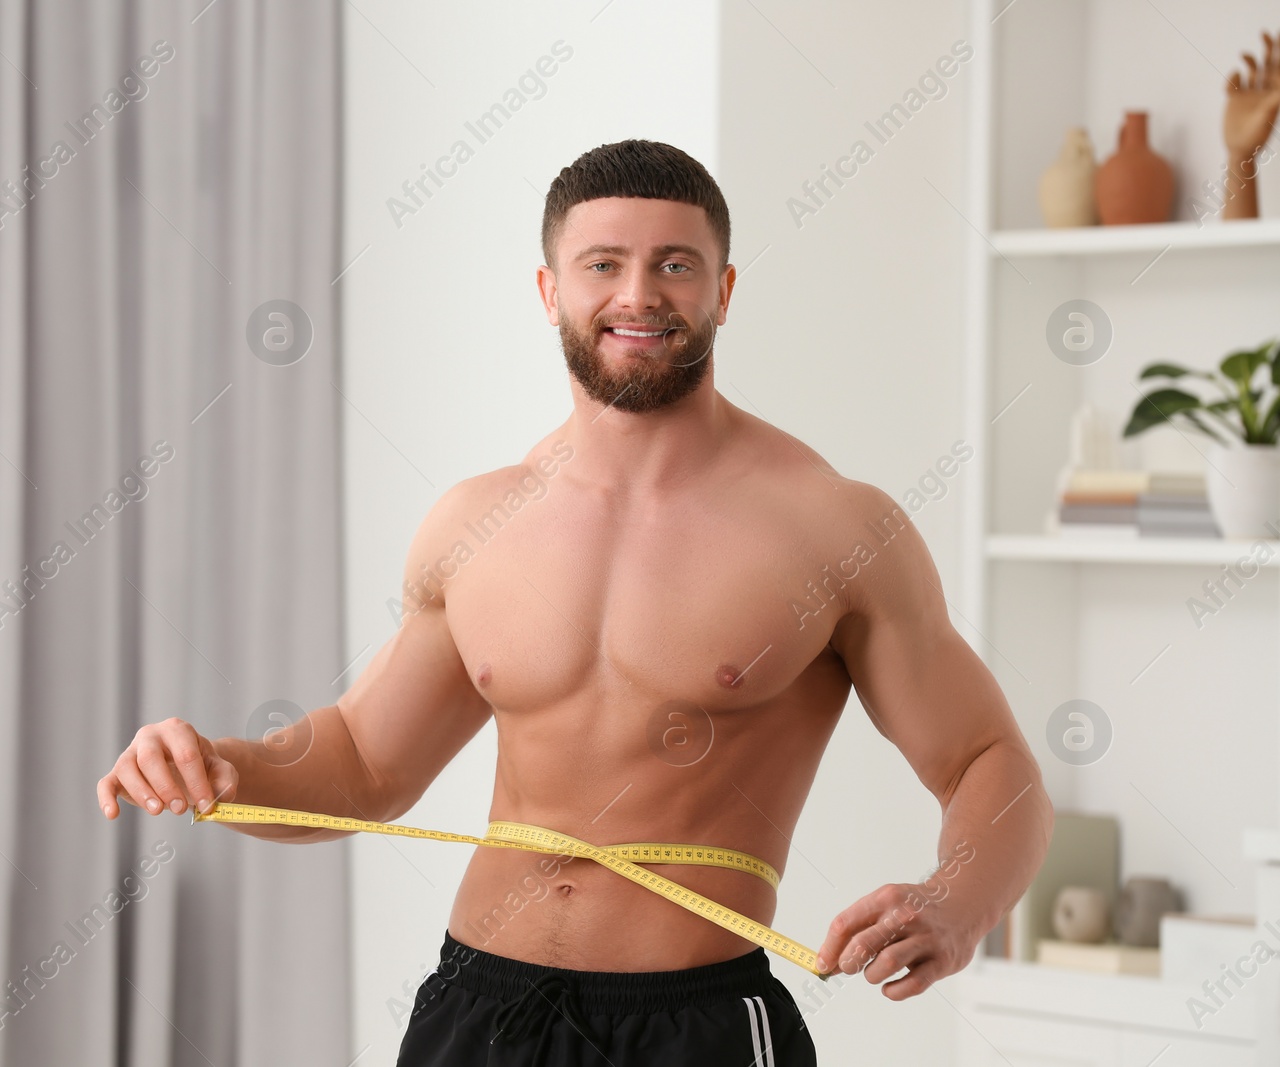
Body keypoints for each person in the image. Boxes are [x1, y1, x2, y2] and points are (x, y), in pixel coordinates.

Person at [97, 139, 1054, 1065]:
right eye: (604, 263)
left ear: (722, 291)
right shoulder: (473, 524)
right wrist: (217, 766)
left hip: (697, 1026)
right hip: (476, 1009)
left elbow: (987, 759)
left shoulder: (836, 528)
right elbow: (360, 765)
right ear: (552, 291)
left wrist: (956, 900)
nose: (638, 294)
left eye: (674, 264)